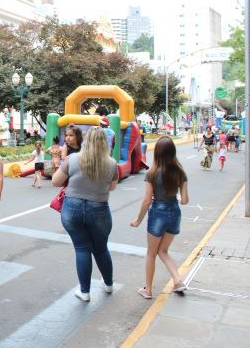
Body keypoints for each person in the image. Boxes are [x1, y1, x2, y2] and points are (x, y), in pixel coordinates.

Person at [52, 128, 118, 302]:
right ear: (105, 143)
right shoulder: (111, 163)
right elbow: (112, 187)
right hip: (99, 210)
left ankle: (85, 292)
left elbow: (55, 181)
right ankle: (109, 284)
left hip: (72, 209)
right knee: (101, 248)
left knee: (82, 249)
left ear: (85, 142)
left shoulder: (72, 159)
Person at [130, 136, 189, 299]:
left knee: (151, 253)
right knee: (163, 251)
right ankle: (178, 281)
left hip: (158, 215)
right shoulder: (181, 172)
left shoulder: (152, 173)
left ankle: (148, 289)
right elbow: (184, 201)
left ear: (157, 153)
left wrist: (138, 220)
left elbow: (147, 201)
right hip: (175, 214)